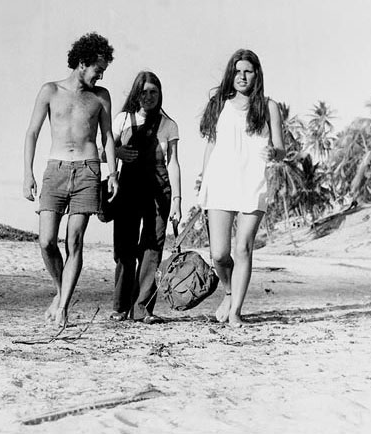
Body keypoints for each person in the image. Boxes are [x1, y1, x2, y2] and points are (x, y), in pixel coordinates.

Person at [23, 32, 119, 327]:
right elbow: (32, 133)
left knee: (75, 240)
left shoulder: (101, 97)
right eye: (98, 69)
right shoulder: (50, 90)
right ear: (81, 63)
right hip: (56, 169)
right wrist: (27, 173)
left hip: (89, 170)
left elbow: (107, 136)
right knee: (47, 241)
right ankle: (60, 290)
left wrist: (112, 172)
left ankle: (63, 306)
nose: (101, 74)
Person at [197, 49, 285, 326]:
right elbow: (211, 145)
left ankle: (235, 311)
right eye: (237, 71)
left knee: (243, 248)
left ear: (256, 74)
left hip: (253, 181)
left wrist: (275, 155)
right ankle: (228, 291)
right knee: (219, 254)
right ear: (230, 74)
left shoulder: (269, 106)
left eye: (247, 71)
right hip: (220, 181)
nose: (242, 76)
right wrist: (203, 184)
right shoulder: (218, 104)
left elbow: (281, 148)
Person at [109, 71, 182, 324]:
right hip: (128, 190)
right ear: (136, 93)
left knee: (152, 250)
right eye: (144, 91)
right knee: (124, 250)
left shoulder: (168, 124)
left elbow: (173, 163)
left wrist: (178, 200)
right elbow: (103, 151)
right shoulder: (123, 119)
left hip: (159, 192)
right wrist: (117, 152)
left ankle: (143, 309)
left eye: (154, 91)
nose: (149, 96)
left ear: (160, 94)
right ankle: (120, 306)